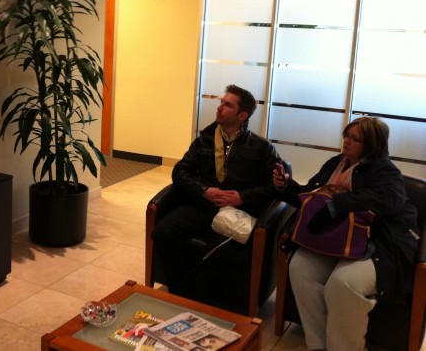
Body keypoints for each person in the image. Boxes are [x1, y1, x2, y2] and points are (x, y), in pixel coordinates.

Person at [273, 116, 419, 351]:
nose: (347, 142)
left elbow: (389, 200)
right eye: (346, 135)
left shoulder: (385, 170)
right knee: (300, 267)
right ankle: (319, 345)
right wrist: (285, 185)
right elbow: (309, 196)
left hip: (377, 243)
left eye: (355, 138)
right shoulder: (336, 163)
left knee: (343, 283)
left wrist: (336, 206)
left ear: (372, 144)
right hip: (335, 238)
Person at [152, 84, 281, 307]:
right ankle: (189, 297)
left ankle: (182, 297)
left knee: (223, 250)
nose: (219, 107)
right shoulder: (205, 140)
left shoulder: (262, 149)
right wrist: (204, 191)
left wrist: (242, 197)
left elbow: (274, 187)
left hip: (234, 212)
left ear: (242, 115)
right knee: (163, 232)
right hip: (201, 206)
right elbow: (180, 172)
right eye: (221, 102)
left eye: (227, 104)